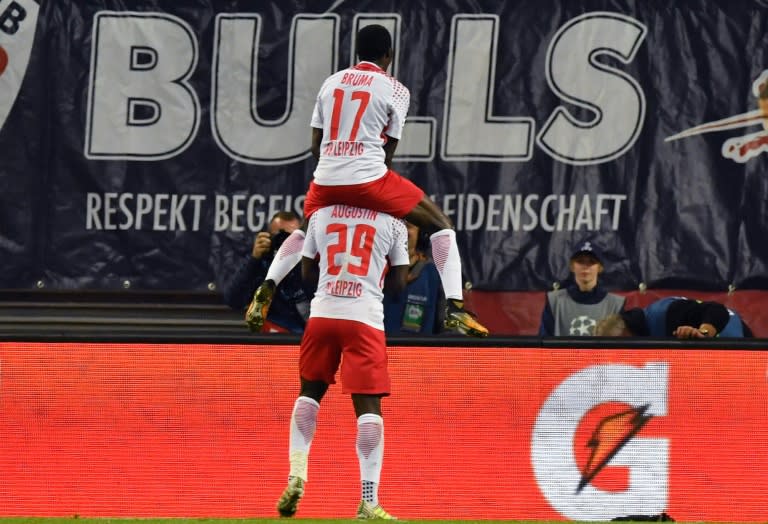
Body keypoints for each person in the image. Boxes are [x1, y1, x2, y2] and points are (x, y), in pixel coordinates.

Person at [245, 24, 488, 338]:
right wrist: (370, 189)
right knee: (441, 224)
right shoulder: (395, 89)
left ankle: (267, 286)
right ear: (389, 54)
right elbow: (389, 151)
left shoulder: (330, 83)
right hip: (369, 177)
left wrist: (334, 177)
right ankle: (455, 306)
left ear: (357, 52)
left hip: (326, 176)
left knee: (306, 229)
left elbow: (315, 144)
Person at [275, 203, 409, 520]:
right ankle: (368, 501)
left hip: (322, 314)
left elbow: (307, 273)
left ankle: (296, 473)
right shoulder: (393, 223)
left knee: (309, 394)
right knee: (369, 410)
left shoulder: (321, 215)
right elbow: (399, 284)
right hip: (364, 318)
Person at [222, 211, 310, 333]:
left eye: (292, 239)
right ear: (269, 237)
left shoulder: (308, 263)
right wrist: (254, 259)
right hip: (271, 337)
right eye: (280, 236)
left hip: (304, 335)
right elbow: (233, 300)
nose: (285, 243)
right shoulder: (261, 264)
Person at [539, 240, 625, 336]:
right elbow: (543, 342)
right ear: (572, 266)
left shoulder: (616, 305)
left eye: (591, 262)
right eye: (580, 261)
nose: (585, 266)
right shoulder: (555, 301)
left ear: (600, 267)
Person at [383, 222, 445, 334]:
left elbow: (446, 329)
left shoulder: (434, 274)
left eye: (407, 226)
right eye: (396, 227)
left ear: (421, 236)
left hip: (416, 351)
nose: (400, 232)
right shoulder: (375, 270)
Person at [595, 297, 753, 338]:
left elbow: (718, 310)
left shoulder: (668, 314)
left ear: (627, 332)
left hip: (737, 341)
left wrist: (703, 334)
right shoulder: (643, 325)